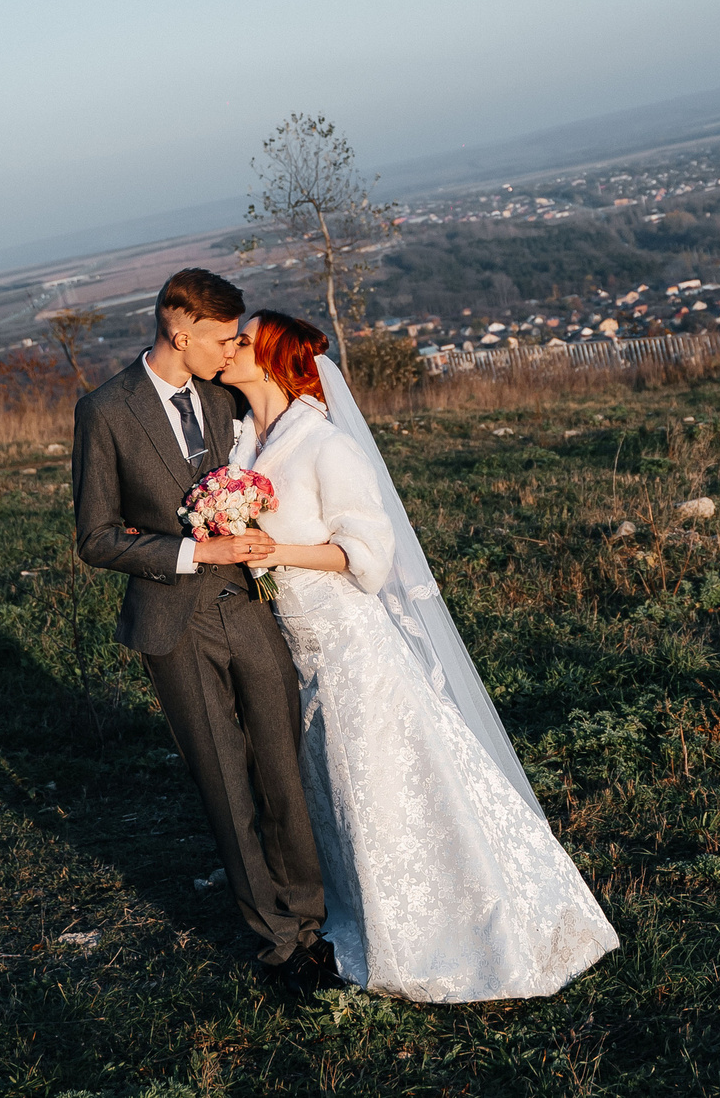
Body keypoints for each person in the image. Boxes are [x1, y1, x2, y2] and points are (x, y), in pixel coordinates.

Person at [218, 308, 619, 1001]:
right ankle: (365, 918)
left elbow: (370, 561)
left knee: (377, 782)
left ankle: (435, 937)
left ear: (276, 358)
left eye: (243, 340)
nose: (229, 346)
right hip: (292, 649)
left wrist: (276, 549)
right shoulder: (240, 442)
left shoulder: (324, 444)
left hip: (349, 645)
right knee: (332, 792)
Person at [70, 269, 331, 987]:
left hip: (248, 602)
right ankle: (280, 942)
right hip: (171, 619)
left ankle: (313, 917)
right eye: (221, 337)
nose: (231, 348)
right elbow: (93, 537)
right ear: (179, 333)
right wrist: (193, 551)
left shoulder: (225, 392)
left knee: (282, 766)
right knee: (224, 781)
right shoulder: (104, 410)